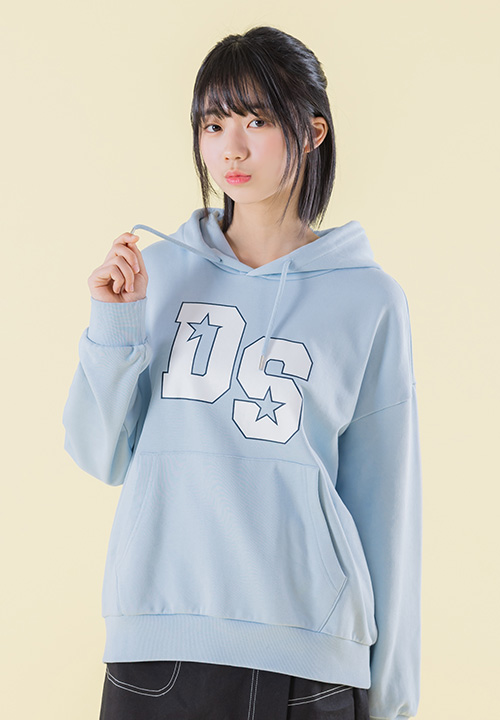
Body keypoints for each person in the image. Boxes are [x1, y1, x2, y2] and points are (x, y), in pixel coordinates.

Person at [63, 25, 422, 720]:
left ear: (312, 132)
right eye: (213, 123)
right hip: (158, 643)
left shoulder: (370, 298)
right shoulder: (155, 275)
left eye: (257, 121)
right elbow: (98, 454)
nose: (231, 147)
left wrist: (394, 702)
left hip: (310, 659)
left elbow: (388, 505)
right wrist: (114, 324)